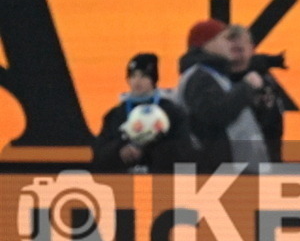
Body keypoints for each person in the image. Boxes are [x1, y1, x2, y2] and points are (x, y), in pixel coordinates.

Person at [177, 18, 268, 173]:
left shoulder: (214, 75)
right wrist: (246, 87)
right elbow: (215, 113)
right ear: (207, 43)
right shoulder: (200, 77)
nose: (230, 44)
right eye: (225, 39)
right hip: (220, 173)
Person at [92, 53, 196, 173]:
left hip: (162, 181)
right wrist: (120, 151)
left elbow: (185, 150)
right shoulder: (116, 114)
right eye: (133, 76)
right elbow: (100, 152)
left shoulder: (172, 111)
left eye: (143, 76)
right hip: (123, 182)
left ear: (153, 80)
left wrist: (147, 151)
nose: (137, 81)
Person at [226, 24, 286, 163]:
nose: (237, 55)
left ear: (251, 48)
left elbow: (272, 127)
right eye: (232, 49)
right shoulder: (212, 80)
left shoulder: (264, 82)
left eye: (240, 49)